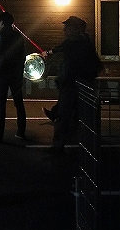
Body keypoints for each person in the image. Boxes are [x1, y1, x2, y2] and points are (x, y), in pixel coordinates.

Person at [41, 16, 102, 154]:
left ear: (76, 29)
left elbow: (63, 53)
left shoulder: (76, 44)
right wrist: (49, 53)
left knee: (64, 116)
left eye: (67, 27)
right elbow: (60, 48)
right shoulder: (84, 42)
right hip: (81, 85)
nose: (64, 30)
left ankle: (59, 146)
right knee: (76, 115)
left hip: (72, 86)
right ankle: (81, 145)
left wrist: (48, 54)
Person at [0, 11, 28, 142]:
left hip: (3, 74)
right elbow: (23, 55)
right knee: (19, 103)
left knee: (1, 104)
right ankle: (21, 132)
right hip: (16, 74)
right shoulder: (18, 36)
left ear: (2, 22)